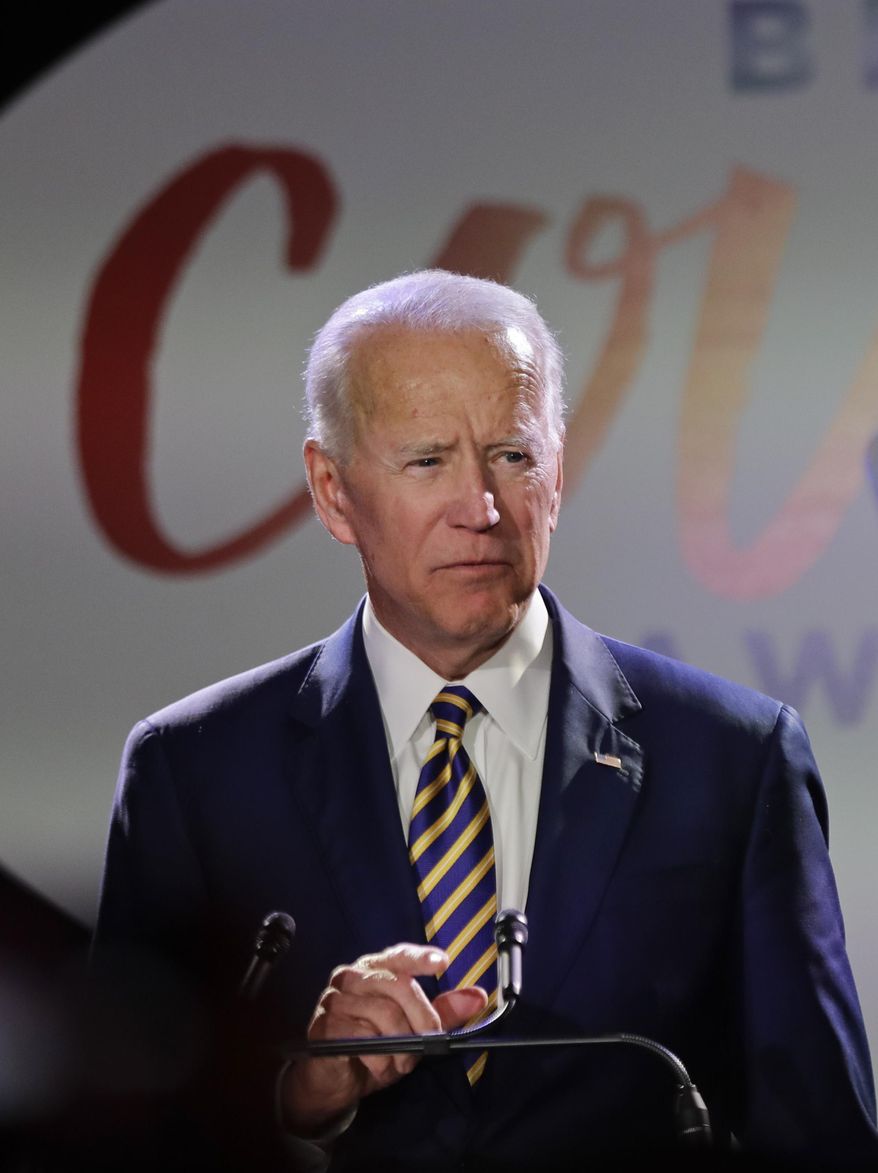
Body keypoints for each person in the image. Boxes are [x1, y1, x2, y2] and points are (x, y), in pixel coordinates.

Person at [91, 269, 878, 1172]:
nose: (482, 509)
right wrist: (291, 1103)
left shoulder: (732, 760)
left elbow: (821, 1136)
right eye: (427, 460)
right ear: (332, 489)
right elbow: (120, 1133)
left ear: (558, 467)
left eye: (511, 454)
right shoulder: (193, 772)